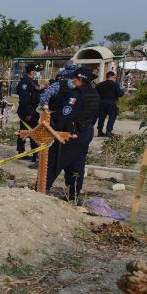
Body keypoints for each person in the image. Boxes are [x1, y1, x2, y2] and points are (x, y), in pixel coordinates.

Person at [46, 67, 100, 201]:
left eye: (73, 78)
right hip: (85, 132)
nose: (71, 80)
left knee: (54, 161)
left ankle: (39, 189)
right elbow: (95, 116)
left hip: (71, 134)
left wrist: (53, 125)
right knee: (76, 164)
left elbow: (64, 116)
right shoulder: (94, 93)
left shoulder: (76, 95)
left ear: (80, 79)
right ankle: (73, 194)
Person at [16, 63, 43, 168]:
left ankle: (21, 152)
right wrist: (27, 113)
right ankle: (35, 155)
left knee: (24, 131)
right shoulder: (25, 83)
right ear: (32, 72)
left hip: (31, 109)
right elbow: (23, 100)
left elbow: (36, 92)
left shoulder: (32, 81)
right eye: (36, 71)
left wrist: (44, 88)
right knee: (33, 132)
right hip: (27, 111)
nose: (37, 73)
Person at [96, 71, 124, 137]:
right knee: (112, 117)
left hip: (101, 103)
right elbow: (120, 94)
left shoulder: (100, 85)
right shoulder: (115, 85)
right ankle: (108, 132)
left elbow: (95, 94)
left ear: (107, 76)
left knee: (101, 118)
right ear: (112, 76)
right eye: (115, 77)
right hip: (111, 104)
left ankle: (99, 132)